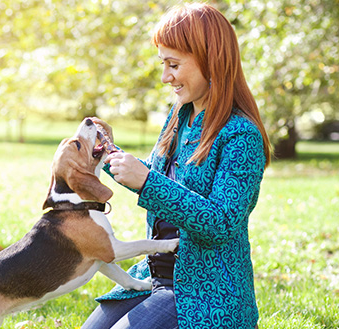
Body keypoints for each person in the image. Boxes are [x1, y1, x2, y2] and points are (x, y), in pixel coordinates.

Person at [82, 3, 271, 329]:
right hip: (154, 275)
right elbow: (158, 177)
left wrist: (146, 183)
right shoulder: (180, 116)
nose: (165, 76)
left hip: (205, 293)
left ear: (211, 61)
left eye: (173, 64)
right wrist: (111, 154)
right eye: (162, 64)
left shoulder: (242, 136)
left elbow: (221, 223)